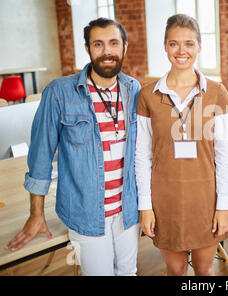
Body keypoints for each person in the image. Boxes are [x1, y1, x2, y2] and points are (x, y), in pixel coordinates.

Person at [6, 18, 141, 276]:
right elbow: (40, 157)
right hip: (86, 211)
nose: (107, 51)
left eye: (113, 43)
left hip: (127, 210)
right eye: (98, 44)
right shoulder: (59, 93)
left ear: (124, 46)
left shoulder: (133, 89)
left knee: (128, 273)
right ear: (87, 49)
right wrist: (36, 214)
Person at [135, 14, 228, 276]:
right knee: (175, 270)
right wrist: (145, 206)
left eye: (189, 43)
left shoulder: (217, 92)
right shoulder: (147, 95)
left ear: (199, 46)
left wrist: (224, 205)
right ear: (165, 47)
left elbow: (224, 155)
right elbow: (141, 156)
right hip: (165, 200)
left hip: (206, 199)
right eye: (174, 43)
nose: (181, 51)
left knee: (204, 269)